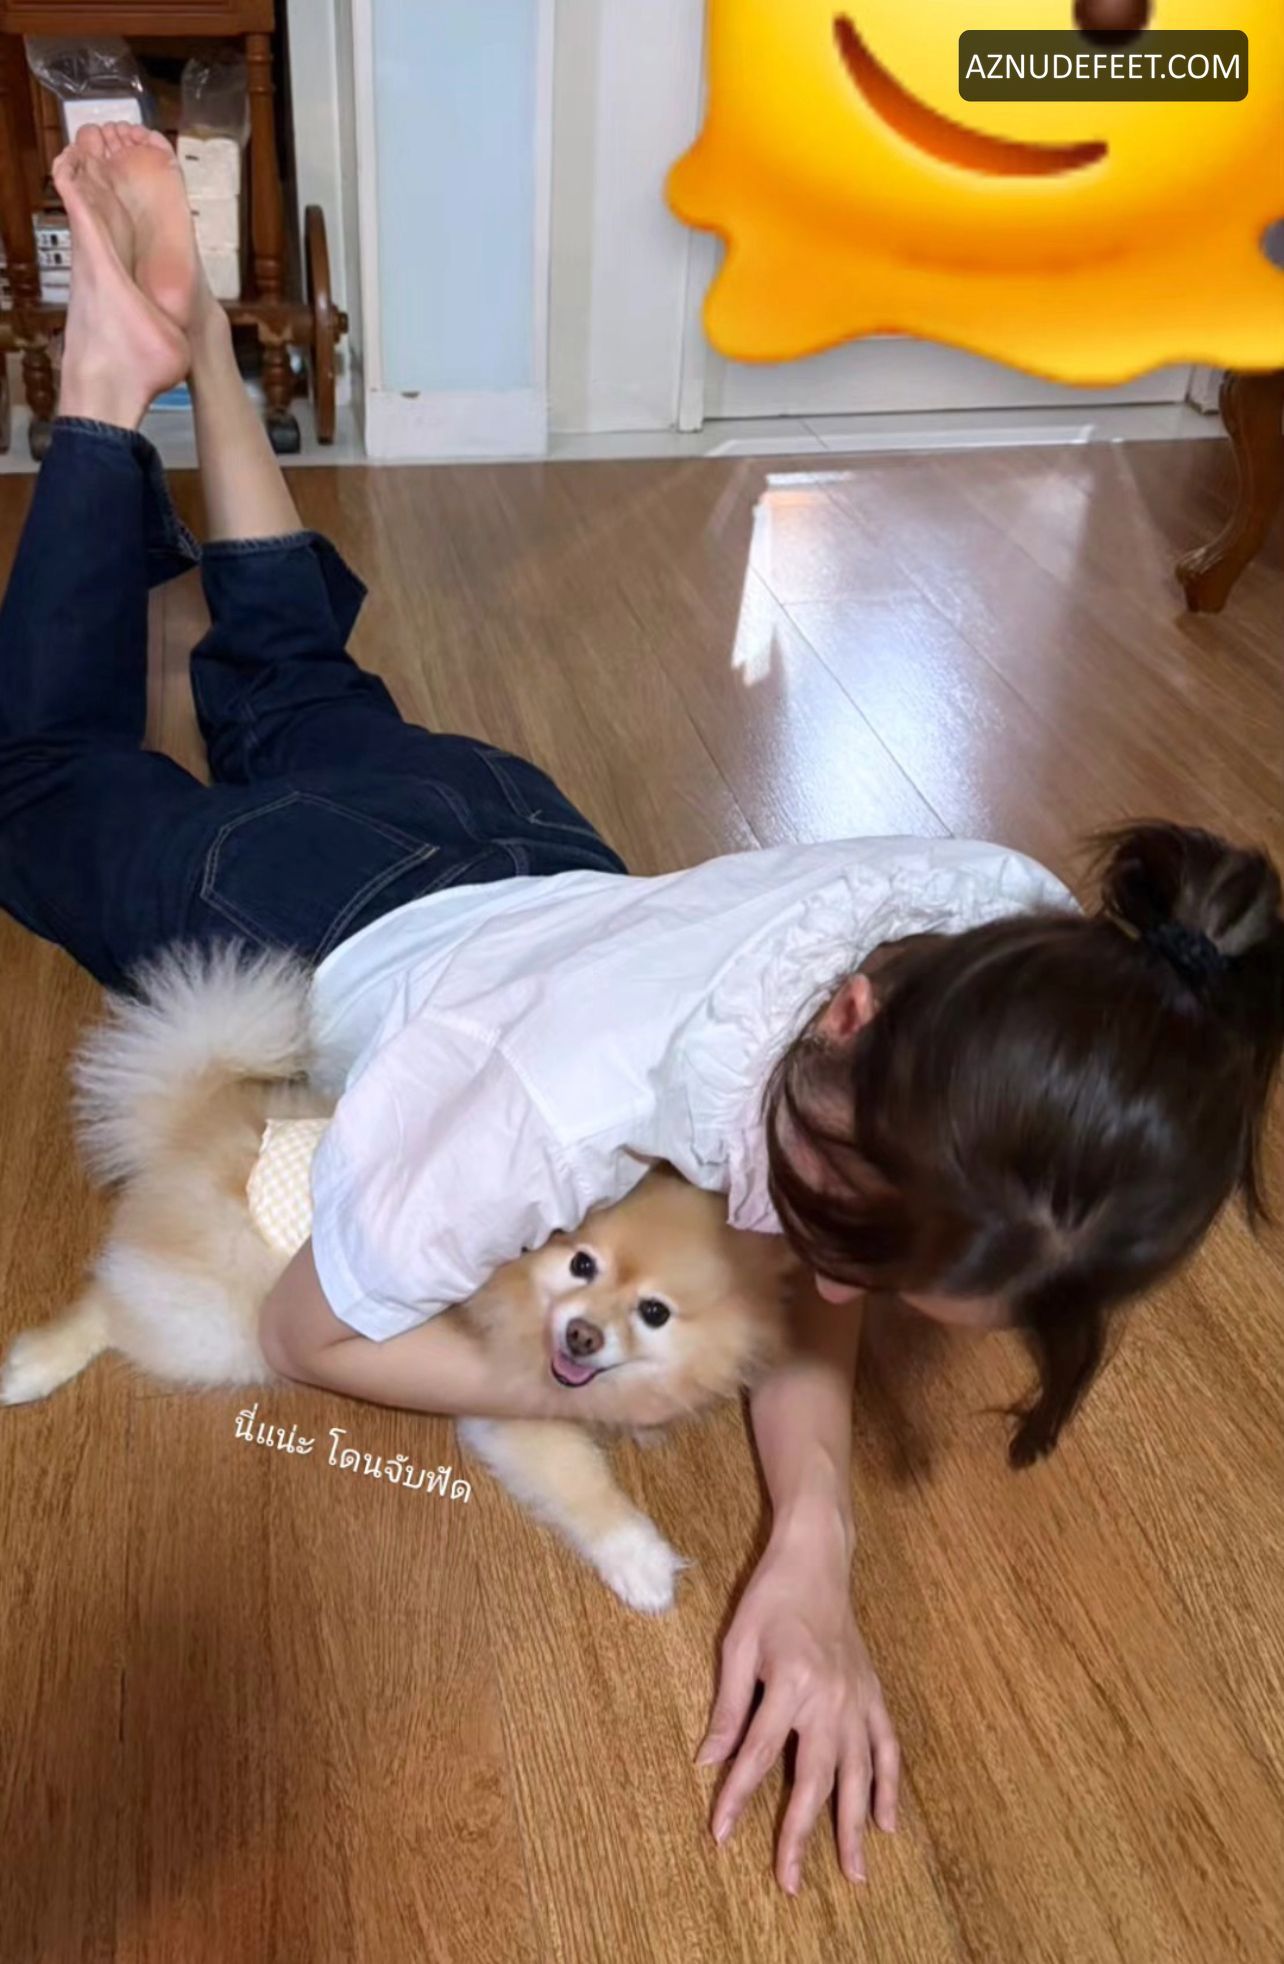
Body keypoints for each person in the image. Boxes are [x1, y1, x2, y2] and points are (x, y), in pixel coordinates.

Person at [2, 125, 1282, 1897]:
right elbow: (305, 1337)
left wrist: (814, 1544)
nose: (821, 1288)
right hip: (320, 912)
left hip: (523, 836)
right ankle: (102, 385)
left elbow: (858, 1215)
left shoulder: (1012, 939)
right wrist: (583, 1398)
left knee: (294, 685)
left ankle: (210, 349)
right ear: (850, 1021)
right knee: (39, 782)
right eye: (837, 1238)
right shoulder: (534, 1114)